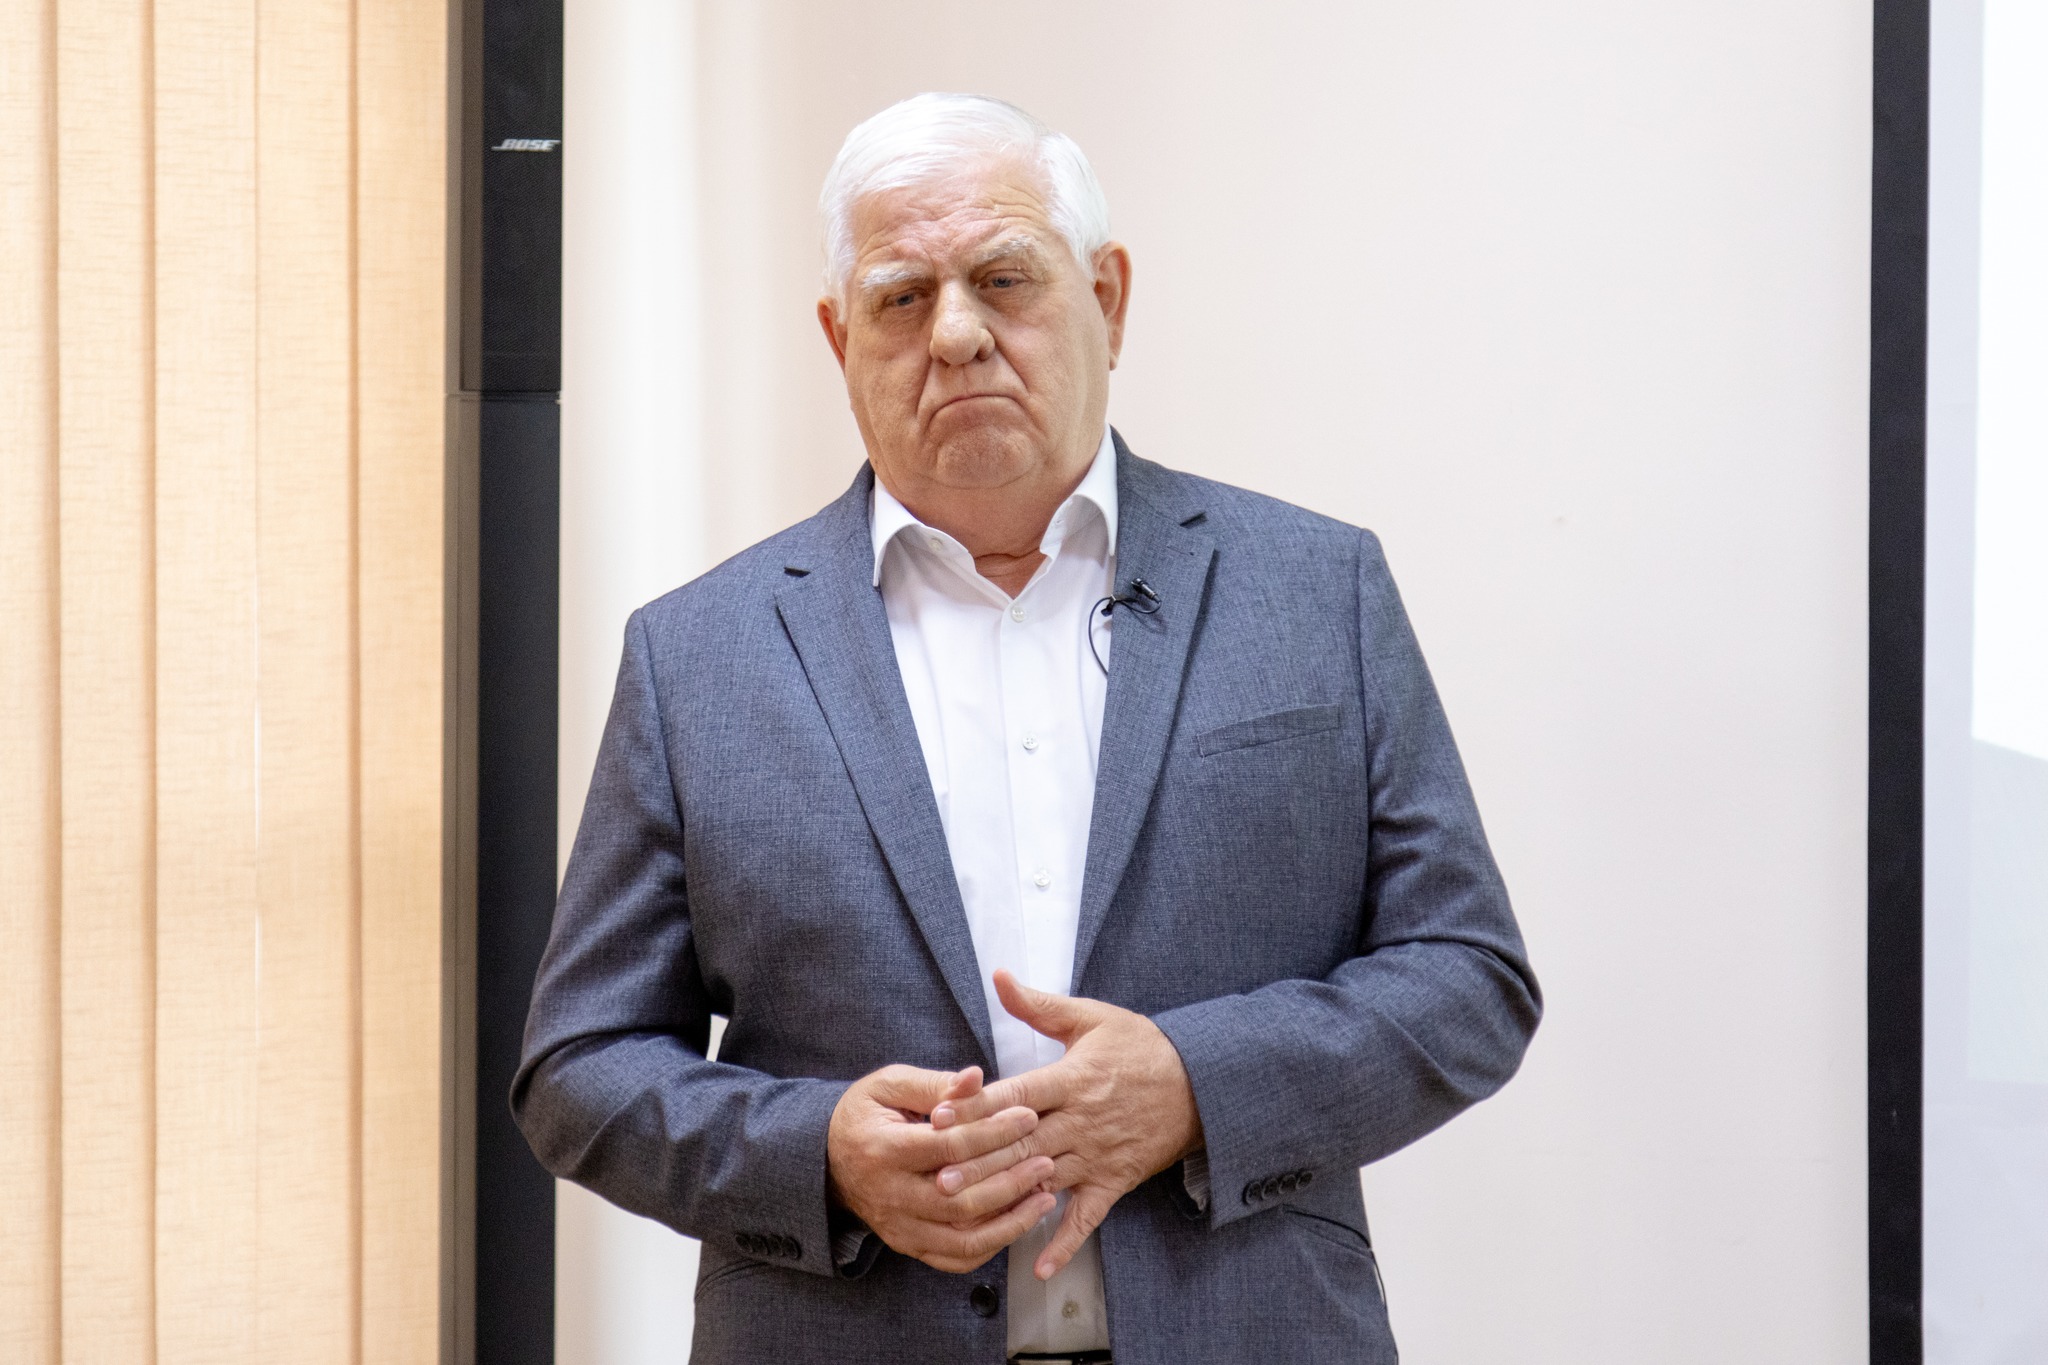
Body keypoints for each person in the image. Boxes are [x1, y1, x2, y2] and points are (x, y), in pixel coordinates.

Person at [514, 92, 1540, 1365]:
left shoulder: (1314, 590)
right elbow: (580, 1068)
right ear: (839, 339)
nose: (954, 335)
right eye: (900, 298)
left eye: (1003, 279)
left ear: (1106, 298)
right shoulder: (696, 656)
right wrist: (818, 1156)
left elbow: (1468, 977)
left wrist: (1195, 1087)